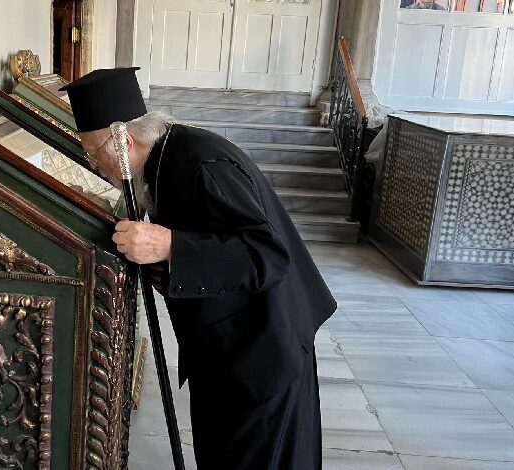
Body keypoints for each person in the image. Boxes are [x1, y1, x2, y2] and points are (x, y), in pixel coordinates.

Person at [61, 67, 336, 470]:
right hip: (228, 352)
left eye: (93, 152)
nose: (93, 164)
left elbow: (266, 254)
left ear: (124, 141)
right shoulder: (164, 158)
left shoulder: (201, 164)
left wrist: (170, 245)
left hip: (262, 355)